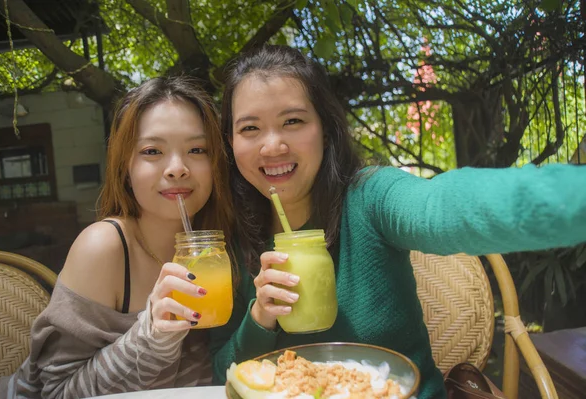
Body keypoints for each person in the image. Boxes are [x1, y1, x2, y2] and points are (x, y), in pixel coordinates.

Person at [209, 44, 586, 398]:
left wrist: (573, 199)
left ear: (324, 127)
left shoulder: (370, 197)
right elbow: (223, 376)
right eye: (250, 128)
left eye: (292, 121)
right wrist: (260, 318)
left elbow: (440, 207)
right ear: (230, 142)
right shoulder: (232, 240)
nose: (273, 145)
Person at [0, 76, 234, 398]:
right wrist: (152, 336)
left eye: (196, 149)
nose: (177, 168)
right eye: (152, 151)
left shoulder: (221, 246)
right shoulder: (105, 248)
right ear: (125, 167)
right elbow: (57, 393)